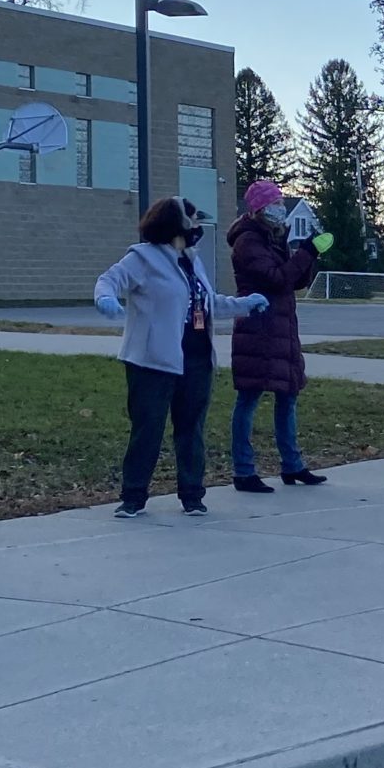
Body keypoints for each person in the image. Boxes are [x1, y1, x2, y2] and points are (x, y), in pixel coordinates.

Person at [95, 198, 263, 517]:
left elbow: (207, 303)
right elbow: (109, 280)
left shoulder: (191, 261)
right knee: (148, 429)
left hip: (196, 358)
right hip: (152, 362)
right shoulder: (142, 258)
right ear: (178, 224)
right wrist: (105, 298)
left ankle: (192, 495)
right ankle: (133, 497)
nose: (198, 226)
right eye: (194, 219)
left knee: (191, 428)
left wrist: (245, 304)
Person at [225, 180, 327, 492]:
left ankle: (292, 464)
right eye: (275, 203)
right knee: (250, 397)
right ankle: (243, 470)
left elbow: (293, 280)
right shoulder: (248, 242)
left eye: (281, 202)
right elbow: (275, 278)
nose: (280, 208)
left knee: (288, 395)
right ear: (258, 208)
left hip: (281, 327)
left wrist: (310, 253)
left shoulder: (275, 238)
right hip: (257, 328)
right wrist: (306, 253)